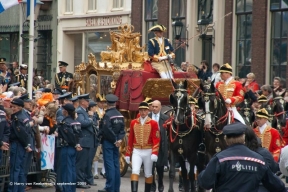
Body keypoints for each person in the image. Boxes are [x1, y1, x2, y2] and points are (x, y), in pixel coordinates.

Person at [198, 122, 286, 192]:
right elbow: (277, 186)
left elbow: (205, 182)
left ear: (225, 139)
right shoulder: (258, 160)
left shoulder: (219, 158)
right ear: (244, 137)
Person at [125, 102, 160, 192]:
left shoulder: (153, 123)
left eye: (145, 110)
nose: (143, 112)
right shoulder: (133, 122)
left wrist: (154, 153)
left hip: (148, 151)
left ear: (148, 111)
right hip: (137, 151)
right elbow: (130, 139)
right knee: (135, 171)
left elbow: (156, 139)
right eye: (141, 110)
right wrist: (128, 153)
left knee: (148, 173)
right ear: (139, 111)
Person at [98, 94, 126, 192]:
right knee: (116, 164)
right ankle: (116, 187)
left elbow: (107, 130)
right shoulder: (120, 115)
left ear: (107, 103)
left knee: (109, 165)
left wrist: (114, 140)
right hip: (117, 143)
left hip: (109, 142)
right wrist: (119, 140)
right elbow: (122, 130)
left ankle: (109, 187)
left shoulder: (108, 115)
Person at [56, 103, 83, 192]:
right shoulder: (77, 122)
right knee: (72, 170)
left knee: (66, 171)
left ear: (66, 111)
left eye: (63, 110)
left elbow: (69, 136)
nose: (62, 111)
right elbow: (80, 135)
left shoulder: (65, 122)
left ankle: (67, 189)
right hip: (74, 148)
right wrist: (78, 144)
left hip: (67, 148)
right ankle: (72, 189)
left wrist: (75, 144)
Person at [9, 98, 32, 192]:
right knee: (21, 170)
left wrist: (26, 145)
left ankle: (13, 189)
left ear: (19, 107)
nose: (12, 108)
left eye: (13, 107)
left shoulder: (18, 118)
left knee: (15, 169)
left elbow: (21, 134)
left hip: (18, 144)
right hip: (22, 145)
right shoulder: (25, 116)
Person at [76, 93, 98, 188]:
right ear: (82, 102)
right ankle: (79, 182)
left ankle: (83, 180)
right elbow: (82, 123)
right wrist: (90, 118)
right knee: (81, 163)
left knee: (85, 162)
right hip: (83, 140)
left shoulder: (84, 111)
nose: (89, 102)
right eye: (87, 101)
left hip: (88, 140)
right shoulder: (80, 111)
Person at [149, 100, 168, 192]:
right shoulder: (148, 117)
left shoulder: (165, 118)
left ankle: (160, 183)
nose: (154, 108)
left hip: (161, 146)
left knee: (160, 167)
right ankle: (152, 186)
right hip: (150, 146)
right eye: (153, 106)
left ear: (160, 107)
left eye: (156, 107)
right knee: (151, 168)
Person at [93, 93, 106, 179]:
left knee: (105, 153)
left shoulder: (106, 111)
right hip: (98, 134)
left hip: (105, 134)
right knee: (97, 154)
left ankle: (104, 171)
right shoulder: (95, 111)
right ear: (97, 102)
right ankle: (95, 172)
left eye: (104, 102)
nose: (102, 104)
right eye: (101, 102)